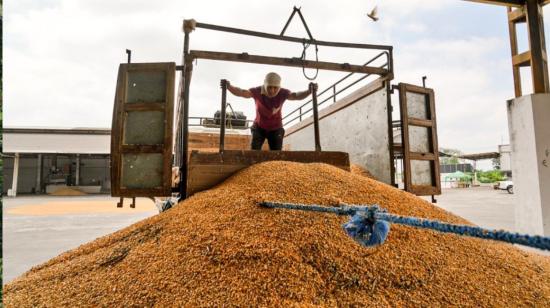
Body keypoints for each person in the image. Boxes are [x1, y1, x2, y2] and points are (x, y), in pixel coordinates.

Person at [223, 72, 317, 151]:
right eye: (269, 87)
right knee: (254, 151)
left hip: (276, 128)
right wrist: (229, 86)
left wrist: (309, 91)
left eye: (275, 88)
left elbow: (296, 96)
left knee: (276, 154)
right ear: (265, 85)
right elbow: (242, 92)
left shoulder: (283, 93)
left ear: (279, 87)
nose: (272, 91)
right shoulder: (257, 91)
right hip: (259, 127)